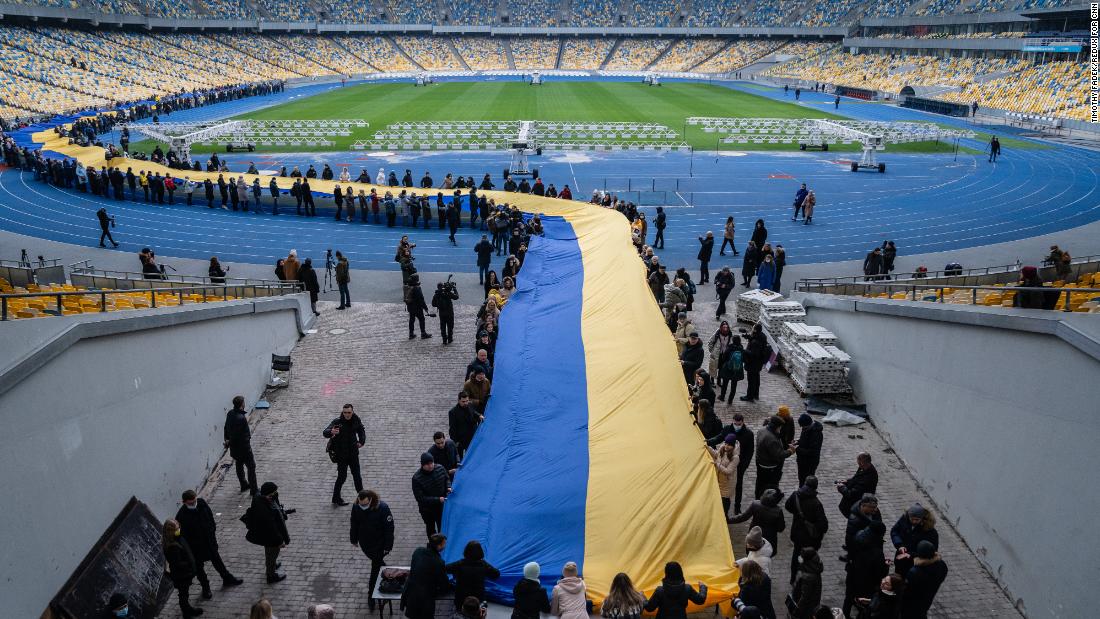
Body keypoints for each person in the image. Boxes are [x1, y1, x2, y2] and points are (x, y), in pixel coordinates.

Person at [175, 490, 243, 599]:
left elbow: (210, 517)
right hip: (196, 548)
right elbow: (183, 536)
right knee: (199, 569)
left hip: (209, 541)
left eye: (194, 501)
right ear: (184, 502)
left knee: (217, 560)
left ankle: (227, 578)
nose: (194, 504)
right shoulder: (181, 516)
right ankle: (205, 588)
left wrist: (212, 530)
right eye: (190, 503)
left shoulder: (201, 503)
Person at [350, 489, 394, 611]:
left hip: (380, 544)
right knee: (379, 564)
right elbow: (354, 522)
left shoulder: (383, 508)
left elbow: (389, 528)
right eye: (360, 504)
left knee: (376, 566)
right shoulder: (356, 506)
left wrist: (387, 546)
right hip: (366, 544)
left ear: (370, 500)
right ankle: (391, 578)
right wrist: (353, 539)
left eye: (365, 504)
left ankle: (371, 595)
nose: (362, 506)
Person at [242, 481, 290, 583]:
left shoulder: (261, 499)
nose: (274, 496)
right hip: (271, 537)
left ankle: (272, 565)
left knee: (270, 554)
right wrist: (280, 541)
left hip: (267, 536)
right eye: (272, 494)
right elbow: (272, 528)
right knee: (272, 553)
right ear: (267, 495)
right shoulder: (264, 510)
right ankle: (271, 576)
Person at [784, 476, 828, 585]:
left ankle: (793, 577)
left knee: (796, 554)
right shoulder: (816, 503)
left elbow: (788, 506)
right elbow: (823, 525)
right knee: (808, 558)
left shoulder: (796, 495)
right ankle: (804, 579)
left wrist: (798, 514)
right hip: (810, 538)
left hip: (797, 533)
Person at [844, 519, 888, 619]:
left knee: (849, 597)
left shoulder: (858, 536)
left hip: (852, 574)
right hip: (867, 581)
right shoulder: (876, 551)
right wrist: (886, 565)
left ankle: (845, 615)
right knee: (864, 603)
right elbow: (879, 572)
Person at [323, 403, 366, 506]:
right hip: (341, 455)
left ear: (352, 412)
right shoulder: (337, 422)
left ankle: (362, 499)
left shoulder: (356, 419)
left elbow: (361, 430)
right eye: (345, 412)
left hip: (353, 454)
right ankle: (336, 498)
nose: (347, 414)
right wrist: (331, 431)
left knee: (357, 477)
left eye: (349, 412)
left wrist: (361, 441)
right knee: (342, 477)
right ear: (342, 412)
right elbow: (325, 432)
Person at [402, 534, 451, 619]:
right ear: (438, 546)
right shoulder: (438, 561)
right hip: (425, 600)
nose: (445, 546)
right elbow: (444, 584)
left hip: (411, 594)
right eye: (444, 544)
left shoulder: (418, 551)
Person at [163, 519, 204, 616]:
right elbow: (178, 563)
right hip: (182, 575)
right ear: (170, 531)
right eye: (176, 529)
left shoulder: (176, 539)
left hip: (183, 573)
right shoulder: (172, 547)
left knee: (184, 593)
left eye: (179, 527)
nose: (179, 530)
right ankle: (187, 611)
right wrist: (189, 565)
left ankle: (186, 609)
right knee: (183, 594)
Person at [729, 488, 785, 555]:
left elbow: (743, 517)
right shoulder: (778, 511)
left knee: (751, 556)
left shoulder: (755, 504)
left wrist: (729, 520)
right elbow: (780, 528)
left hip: (754, 536)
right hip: (769, 540)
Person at [900, 541, 948, 619]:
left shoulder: (915, 572)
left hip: (912, 602)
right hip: (928, 598)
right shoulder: (942, 565)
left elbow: (907, 591)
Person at [643, 562, 707, 619]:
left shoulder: (660, 591)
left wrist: (642, 597)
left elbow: (649, 608)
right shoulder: (687, 589)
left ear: (666, 573)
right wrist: (702, 587)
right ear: (680, 572)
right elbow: (700, 600)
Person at [446, 540, 501, 606]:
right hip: (478, 599)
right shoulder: (484, 565)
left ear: (466, 551)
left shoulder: (459, 564)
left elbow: (445, 568)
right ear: (480, 552)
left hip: (461, 599)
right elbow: (496, 574)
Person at [890, 504, 938, 577]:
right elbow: (894, 531)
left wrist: (911, 555)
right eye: (912, 519)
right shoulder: (904, 520)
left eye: (917, 519)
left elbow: (931, 550)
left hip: (916, 563)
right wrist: (900, 545)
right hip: (901, 558)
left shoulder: (930, 531)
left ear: (922, 518)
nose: (914, 521)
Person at [754, 416, 795, 498]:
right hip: (769, 466)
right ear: (776, 426)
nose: (780, 429)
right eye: (780, 427)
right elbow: (779, 454)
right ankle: (767, 498)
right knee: (770, 484)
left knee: (760, 481)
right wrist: (790, 451)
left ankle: (757, 496)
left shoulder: (762, 430)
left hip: (760, 462)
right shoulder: (771, 439)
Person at [224, 395, 257, 493]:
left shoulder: (230, 413)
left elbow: (226, 428)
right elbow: (239, 436)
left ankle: (243, 484)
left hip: (234, 449)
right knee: (251, 467)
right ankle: (254, 490)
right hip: (244, 448)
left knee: (239, 465)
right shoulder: (241, 418)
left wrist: (227, 440)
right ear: (242, 404)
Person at [412, 453, 450, 538]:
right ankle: (433, 545)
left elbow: (446, 478)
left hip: (440, 507)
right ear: (422, 465)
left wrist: (448, 487)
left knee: (442, 525)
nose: (430, 466)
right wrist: (437, 499)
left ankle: (442, 542)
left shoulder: (440, 468)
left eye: (431, 463)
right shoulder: (416, 478)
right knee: (430, 527)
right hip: (427, 510)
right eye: (427, 464)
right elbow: (420, 498)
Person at [837, 452, 879, 517]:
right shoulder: (864, 468)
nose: (858, 465)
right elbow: (857, 478)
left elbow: (851, 494)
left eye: (859, 463)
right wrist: (847, 481)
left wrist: (842, 488)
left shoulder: (868, 478)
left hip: (855, 505)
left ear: (862, 463)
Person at [708, 436, 739, 518]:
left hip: (727, 484)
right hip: (719, 480)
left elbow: (728, 471)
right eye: (726, 443)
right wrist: (708, 447)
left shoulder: (735, 457)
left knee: (725, 501)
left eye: (729, 445)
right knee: (718, 500)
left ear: (733, 446)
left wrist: (717, 464)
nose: (726, 446)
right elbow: (716, 454)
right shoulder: (722, 449)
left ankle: (725, 518)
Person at [790, 548, 824, 619]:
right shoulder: (815, 566)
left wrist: (797, 608)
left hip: (807, 606)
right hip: (814, 601)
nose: (800, 558)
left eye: (802, 557)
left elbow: (804, 597)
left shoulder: (807, 577)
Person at [448, 392, 482, 459]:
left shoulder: (470, 405)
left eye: (467, 401)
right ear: (459, 400)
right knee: (460, 457)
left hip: (471, 437)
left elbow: (474, 412)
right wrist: (455, 441)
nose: (466, 403)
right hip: (461, 440)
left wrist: (479, 415)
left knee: (470, 456)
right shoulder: (453, 412)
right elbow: (452, 428)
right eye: (463, 401)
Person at [741, 323, 769, 402]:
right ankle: (756, 394)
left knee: (751, 380)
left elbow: (754, 354)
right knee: (756, 379)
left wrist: (744, 351)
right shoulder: (761, 337)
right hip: (758, 363)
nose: (752, 329)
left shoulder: (755, 342)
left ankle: (749, 396)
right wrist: (748, 337)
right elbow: (755, 339)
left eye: (753, 328)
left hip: (753, 363)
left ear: (756, 330)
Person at [794, 413, 823, 485]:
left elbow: (812, 451)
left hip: (809, 463)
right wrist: (798, 442)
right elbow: (804, 440)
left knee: (806, 480)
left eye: (803, 426)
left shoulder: (816, 434)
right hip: (802, 460)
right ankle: (801, 491)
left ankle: (805, 493)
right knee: (801, 478)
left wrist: (797, 449)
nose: (802, 428)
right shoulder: (807, 428)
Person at [432, 280, 459, 345]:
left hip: (442, 314)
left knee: (443, 327)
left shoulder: (436, 294)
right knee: (450, 326)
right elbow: (456, 297)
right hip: (449, 313)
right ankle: (450, 339)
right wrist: (455, 289)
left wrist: (439, 305)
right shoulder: (448, 293)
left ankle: (444, 340)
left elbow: (433, 304)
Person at [406, 274, 432, 339]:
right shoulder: (417, 288)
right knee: (422, 319)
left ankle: (411, 334)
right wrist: (425, 307)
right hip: (417, 307)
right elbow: (421, 299)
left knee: (411, 320)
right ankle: (423, 333)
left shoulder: (409, 287)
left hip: (410, 307)